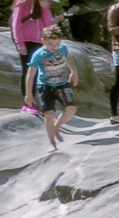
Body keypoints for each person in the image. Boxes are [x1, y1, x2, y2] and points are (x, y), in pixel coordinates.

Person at [11, 0, 66, 112]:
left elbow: (47, 25)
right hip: (26, 40)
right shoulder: (22, 1)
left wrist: (45, 8)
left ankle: (36, 101)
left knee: (38, 72)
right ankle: (27, 102)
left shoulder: (43, 3)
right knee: (28, 71)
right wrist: (20, 43)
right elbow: (16, 23)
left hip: (39, 41)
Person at [25, 24, 80, 152]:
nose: (54, 47)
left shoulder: (63, 49)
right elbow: (31, 74)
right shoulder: (38, 54)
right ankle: (52, 143)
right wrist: (29, 94)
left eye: (56, 44)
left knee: (71, 109)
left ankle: (57, 127)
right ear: (43, 41)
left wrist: (74, 72)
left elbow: (69, 57)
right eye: (50, 44)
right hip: (45, 86)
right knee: (49, 114)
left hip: (62, 83)